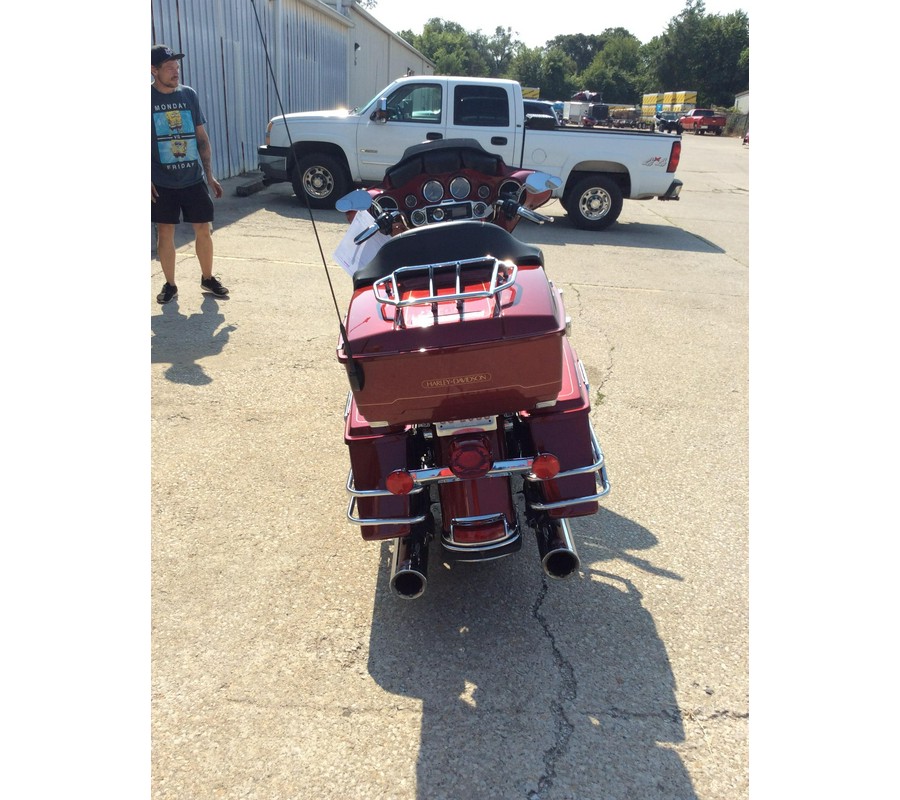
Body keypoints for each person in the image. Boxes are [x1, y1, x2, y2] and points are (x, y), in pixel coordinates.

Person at [151, 44, 228, 304]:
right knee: (165, 232)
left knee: (203, 229)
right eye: (169, 67)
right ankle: (170, 284)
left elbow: (201, 137)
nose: (176, 72)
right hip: (161, 181)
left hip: (192, 177)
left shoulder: (189, 95)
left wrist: (210, 175)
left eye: (177, 66)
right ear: (154, 70)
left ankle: (207, 278)